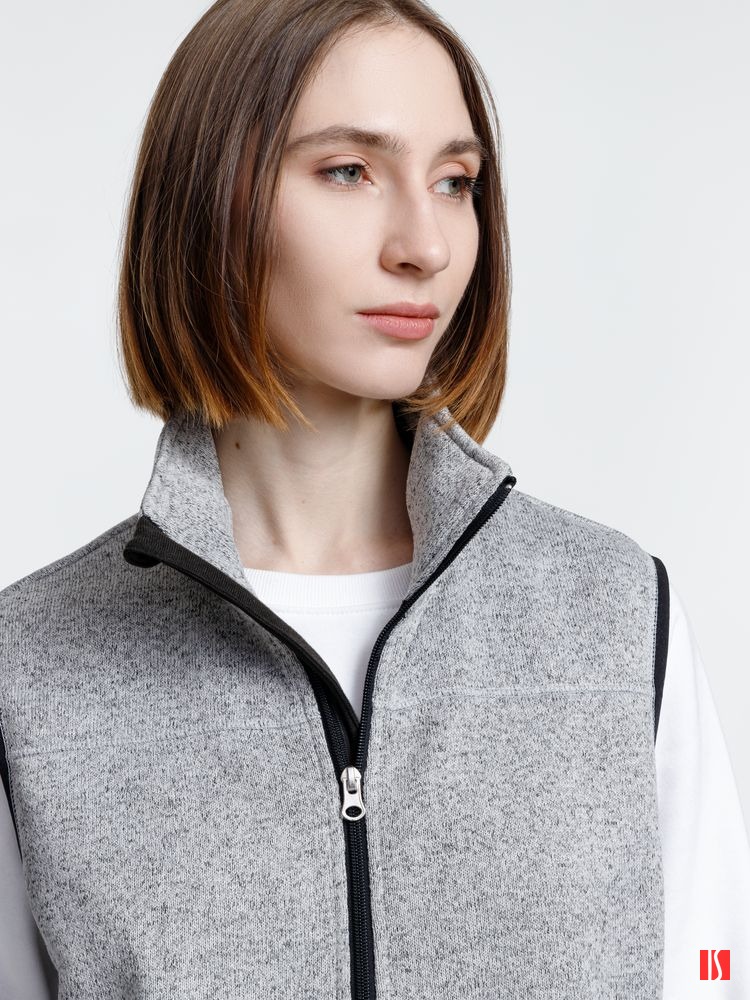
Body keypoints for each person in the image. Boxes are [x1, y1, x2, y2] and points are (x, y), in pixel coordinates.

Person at [1, 0, 748, 997]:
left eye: (455, 181)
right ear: (207, 198)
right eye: (349, 171)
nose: (425, 245)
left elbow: (712, 969)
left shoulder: (614, 615)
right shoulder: (33, 667)